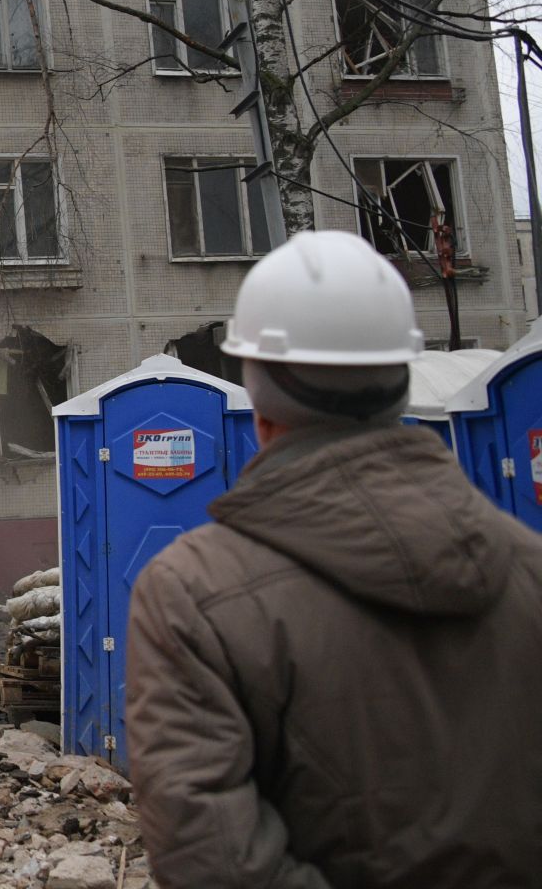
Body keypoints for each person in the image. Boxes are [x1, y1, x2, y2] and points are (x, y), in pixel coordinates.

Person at [126, 230, 542, 888]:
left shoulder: (191, 595)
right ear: (402, 380)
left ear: (257, 397)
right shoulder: (527, 566)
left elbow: (217, 868)